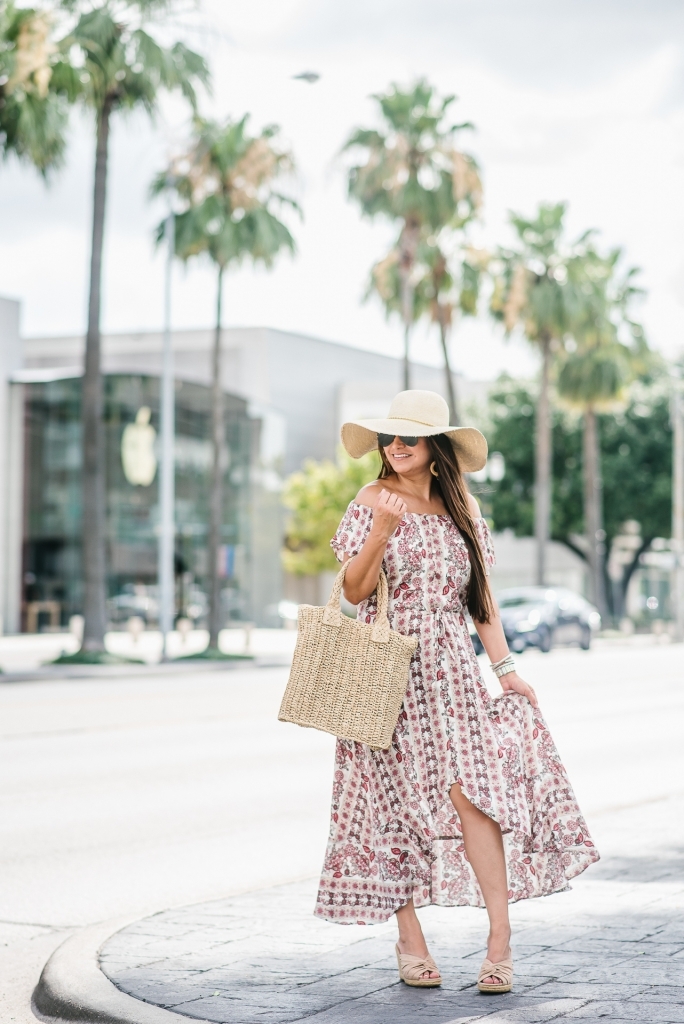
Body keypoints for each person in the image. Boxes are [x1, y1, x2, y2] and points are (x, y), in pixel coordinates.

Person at [315, 390, 598, 993]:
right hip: (384, 665)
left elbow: (482, 601)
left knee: (474, 796)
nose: (395, 448)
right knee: (385, 801)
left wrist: (505, 669)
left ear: (435, 447)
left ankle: (501, 939)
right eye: (389, 438)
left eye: (409, 439)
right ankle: (408, 937)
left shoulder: (463, 509)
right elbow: (355, 593)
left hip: (452, 669)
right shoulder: (371, 500)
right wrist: (381, 531)